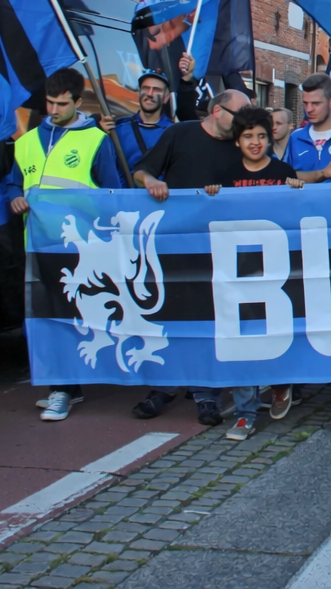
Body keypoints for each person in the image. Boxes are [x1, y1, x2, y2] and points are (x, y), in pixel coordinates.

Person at [7, 67, 124, 422]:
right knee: (46, 316)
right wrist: (15, 199)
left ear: (77, 101)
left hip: (79, 247)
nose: (54, 110)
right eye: (49, 103)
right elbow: (13, 184)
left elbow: (112, 194)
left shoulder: (95, 140)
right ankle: (64, 387)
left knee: (70, 318)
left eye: (61, 104)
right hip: (37, 244)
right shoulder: (26, 141)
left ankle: (63, 389)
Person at [128, 88, 249, 424]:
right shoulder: (178, 133)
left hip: (218, 249)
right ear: (216, 111)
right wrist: (152, 182)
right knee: (171, 315)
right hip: (174, 245)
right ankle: (164, 386)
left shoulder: (239, 147)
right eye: (239, 115)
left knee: (209, 320)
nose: (243, 123)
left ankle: (206, 393)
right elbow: (142, 171)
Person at [194, 105, 303, 440]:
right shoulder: (225, 176)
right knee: (242, 340)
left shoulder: (284, 171)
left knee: (278, 335)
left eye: (261, 136)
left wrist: (299, 192)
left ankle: (283, 384)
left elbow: (301, 216)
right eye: (247, 137)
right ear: (237, 141)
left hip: (278, 273)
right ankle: (245, 413)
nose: (255, 142)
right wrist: (212, 197)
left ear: (270, 138)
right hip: (238, 271)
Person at [100, 70, 175, 173]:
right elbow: (105, 168)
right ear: (139, 93)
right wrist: (102, 136)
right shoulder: (118, 129)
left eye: (156, 90)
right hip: (124, 189)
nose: (149, 93)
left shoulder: (174, 132)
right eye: (145, 88)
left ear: (166, 98)